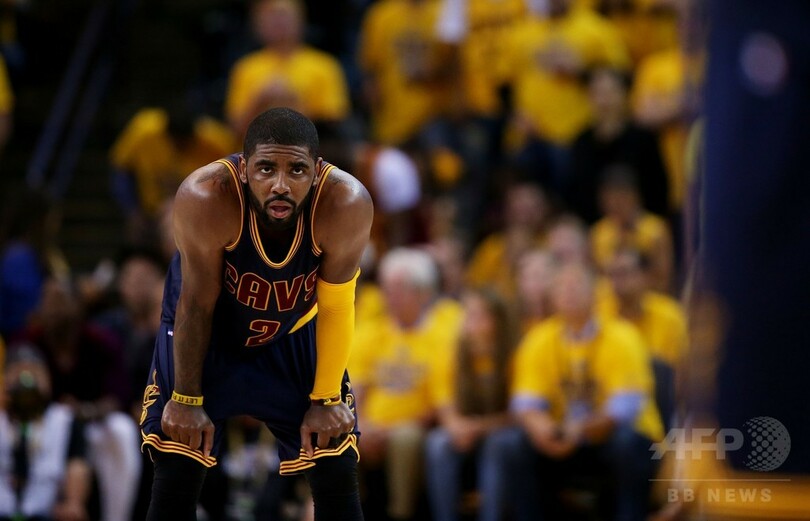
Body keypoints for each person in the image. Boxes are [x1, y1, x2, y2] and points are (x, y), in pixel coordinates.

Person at [139, 107, 373, 521]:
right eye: (266, 168)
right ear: (244, 169)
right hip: (208, 330)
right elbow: (196, 303)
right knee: (177, 458)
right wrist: (186, 398)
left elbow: (337, 305)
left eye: (297, 170)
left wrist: (326, 398)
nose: (280, 185)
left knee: (335, 459)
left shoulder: (344, 201)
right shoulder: (207, 195)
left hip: (293, 329)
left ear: (317, 171)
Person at [499, 261, 663, 521]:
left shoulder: (623, 336)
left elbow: (623, 409)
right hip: (562, 440)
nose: (569, 293)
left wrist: (578, 431)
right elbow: (525, 403)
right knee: (512, 444)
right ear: (552, 297)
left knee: (626, 443)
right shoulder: (538, 339)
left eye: (577, 286)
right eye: (562, 287)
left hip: (613, 438)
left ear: (596, 293)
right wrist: (544, 431)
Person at [424, 287, 518, 521]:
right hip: (467, 428)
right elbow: (443, 402)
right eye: (468, 314)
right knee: (438, 443)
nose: (469, 322)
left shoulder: (516, 354)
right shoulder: (451, 351)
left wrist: (480, 427)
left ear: (497, 321)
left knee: (497, 444)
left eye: (478, 315)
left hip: (504, 430)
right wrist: (456, 427)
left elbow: (520, 414)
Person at [0, 343, 93, 521]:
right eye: (17, 372)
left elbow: (77, 465)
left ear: (48, 380)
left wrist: (73, 502)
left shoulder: (64, 420)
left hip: (45, 513)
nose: (26, 380)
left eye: (34, 372)